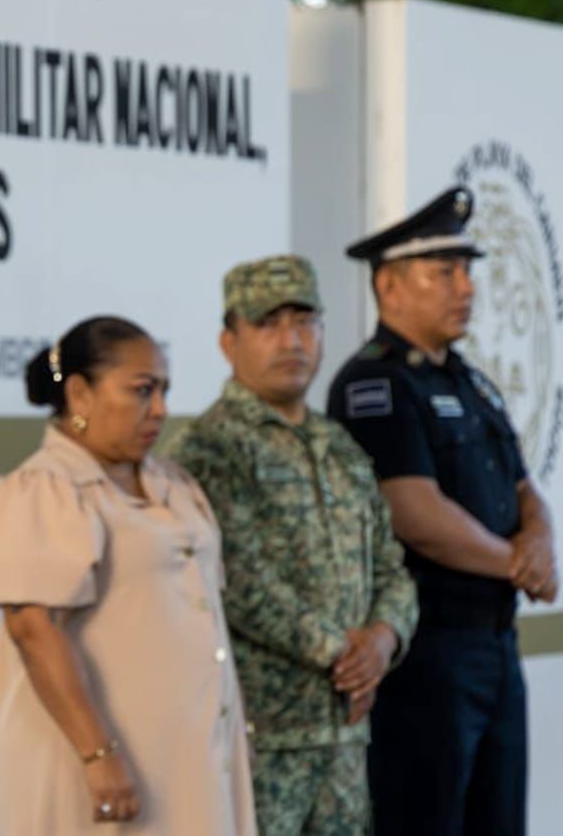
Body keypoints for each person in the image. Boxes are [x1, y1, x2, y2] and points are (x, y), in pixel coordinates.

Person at [0, 315, 257, 834]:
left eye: (164, 391)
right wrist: (98, 754)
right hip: (104, 762)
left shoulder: (172, 483)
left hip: (187, 756)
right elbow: (33, 630)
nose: (160, 409)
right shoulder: (45, 489)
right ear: (80, 393)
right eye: (142, 390)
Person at [327, 186, 557, 836]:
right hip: (428, 654)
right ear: (390, 287)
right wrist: (517, 563)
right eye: (445, 273)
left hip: (495, 645)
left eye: (466, 272)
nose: (466, 288)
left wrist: (540, 539)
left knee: (499, 821)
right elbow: (414, 513)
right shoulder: (374, 382)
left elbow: (523, 488)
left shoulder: (469, 381)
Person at [165, 255, 417, 835]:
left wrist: (385, 638)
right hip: (260, 742)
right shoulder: (208, 449)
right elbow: (235, 581)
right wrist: (343, 654)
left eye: (305, 322)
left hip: (344, 743)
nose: (291, 341)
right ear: (228, 342)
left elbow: (391, 566)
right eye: (268, 324)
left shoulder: (339, 446)